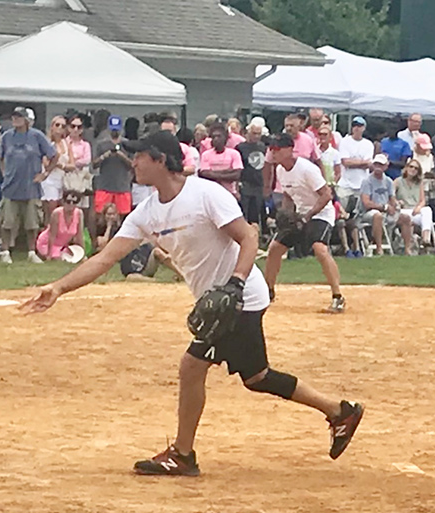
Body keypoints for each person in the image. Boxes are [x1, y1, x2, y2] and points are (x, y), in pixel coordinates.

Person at [20, 129, 363, 476]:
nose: (134, 162)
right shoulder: (147, 212)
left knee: (192, 366)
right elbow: (105, 258)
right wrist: (59, 288)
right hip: (220, 299)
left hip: (240, 298)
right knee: (256, 376)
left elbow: (248, 237)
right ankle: (339, 411)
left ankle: (183, 455)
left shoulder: (205, 194)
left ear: (161, 161)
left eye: (140, 156)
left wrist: (236, 283)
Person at [264, 133, 346, 313]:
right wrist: (287, 213)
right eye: (271, 149)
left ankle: (338, 297)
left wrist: (307, 217)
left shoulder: (306, 169)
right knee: (275, 248)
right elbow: (287, 195)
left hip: (321, 213)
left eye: (277, 149)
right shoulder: (280, 170)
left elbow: (326, 195)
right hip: (301, 213)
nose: (273, 153)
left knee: (320, 248)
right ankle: (267, 292)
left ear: (289, 150)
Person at [0, 106, 58, 264]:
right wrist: (5, 173)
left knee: (32, 223)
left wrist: (45, 174)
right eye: (14, 116)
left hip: (31, 187)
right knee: (7, 222)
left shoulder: (37, 136)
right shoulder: (6, 136)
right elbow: (1, 156)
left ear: (26, 120)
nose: (15, 119)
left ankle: (31, 252)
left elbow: (54, 155)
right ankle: (5, 251)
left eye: (19, 117)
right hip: (10, 187)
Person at [360, 154, 409, 256]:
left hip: (386, 212)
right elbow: (366, 203)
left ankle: (407, 249)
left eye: (381, 165)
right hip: (368, 213)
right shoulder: (367, 181)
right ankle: (379, 248)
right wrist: (384, 207)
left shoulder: (388, 181)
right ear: (373, 165)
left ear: (386, 166)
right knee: (377, 216)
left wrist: (397, 204)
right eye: (376, 164)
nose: (378, 167)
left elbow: (392, 198)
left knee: (405, 218)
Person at [92, 116, 132, 215]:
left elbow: (132, 165)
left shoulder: (127, 144)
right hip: (105, 186)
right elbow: (94, 164)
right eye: (113, 129)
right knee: (102, 215)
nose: (115, 132)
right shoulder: (102, 144)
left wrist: (122, 156)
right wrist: (104, 156)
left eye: (117, 130)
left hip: (122, 187)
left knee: (123, 215)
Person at [394, 158, 433, 252]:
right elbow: (390, 196)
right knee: (409, 216)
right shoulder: (398, 181)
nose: (413, 169)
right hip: (403, 211)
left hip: (415, 211)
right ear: (406, 168)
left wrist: (419, 207)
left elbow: (422, 200)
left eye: (416, 168)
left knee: (427, 210)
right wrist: (397, 202)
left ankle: (425, 239)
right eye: (411, 167)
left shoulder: (419, 183)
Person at [41, 116, 75, 224]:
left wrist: (59, 164)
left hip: (62, 180)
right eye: (57, 125)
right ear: (52, 127)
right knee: (51, 211)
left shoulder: (66, 143)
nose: (60, 127)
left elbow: (72, 165)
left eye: (63, 126)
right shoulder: (46, 143)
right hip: (49, 180)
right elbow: (46, 163)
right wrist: (61, 164)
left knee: (61, 212)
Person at [336, 116, 374, 212]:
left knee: (359, 213)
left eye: (360, 126)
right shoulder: (344, 141)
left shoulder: (368, 144)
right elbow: (345, 162)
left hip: (362, 185)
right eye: (355, 125)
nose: (357, 128)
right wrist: (362, 162)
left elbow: (369, 164)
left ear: (364, 128)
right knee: (342, 212)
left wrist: (353, 162)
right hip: (345, 185)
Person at [236, 122, 267, 231]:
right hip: (245, 183)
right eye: (254, 133)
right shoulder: (240, 147)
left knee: (256, 212)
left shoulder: (263, 147)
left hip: (258, 183)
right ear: (248, 133)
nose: (256, 136)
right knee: (244, 211)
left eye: (259, 134)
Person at [36, 190, 84, 260]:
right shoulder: (57, 213)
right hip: (47, 243)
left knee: (72, 258)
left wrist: (82, 253)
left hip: (62, 246)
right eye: (68, 202)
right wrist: (49, 255)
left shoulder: (79, 214)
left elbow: (79, 235)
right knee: (57, 258)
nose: (71, 204)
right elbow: (52, 235)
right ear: (63, 202)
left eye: (74, 202)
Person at [199, 123, 244, 197]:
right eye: (214, 137)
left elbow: (237, 175)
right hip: (210, 193)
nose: (216, 139)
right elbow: (204, 174)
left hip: (230, 193)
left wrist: (214, 173)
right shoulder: (205, 155)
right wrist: (228, 171)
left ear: (225, 138)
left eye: (219, 136)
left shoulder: (234, 154)